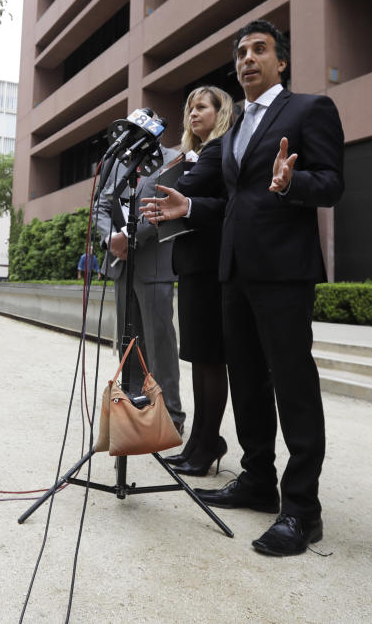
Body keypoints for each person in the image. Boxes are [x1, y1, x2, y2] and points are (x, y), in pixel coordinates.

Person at [144, 20, 344, 556]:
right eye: (240, 53)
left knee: (292, 385)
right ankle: (258, 479)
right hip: (233, 272)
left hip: (283, 271)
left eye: (260, 50)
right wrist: (191, 206)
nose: (247, 59)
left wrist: (292, 182)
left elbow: (332, 183)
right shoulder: (230, 135)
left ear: (282, 62)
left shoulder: (309, 110)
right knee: (249, 383)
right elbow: (234, 203)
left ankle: (302, 508)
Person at [152, 86, 236, 477]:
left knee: (210, 359)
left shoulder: (218, 150)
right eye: (188, 107)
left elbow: (181, 192)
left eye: (201, 107)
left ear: (219, 112)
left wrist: (183, 166)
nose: (192, 113)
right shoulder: (195, 155)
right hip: (192, 265)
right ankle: (200, 443)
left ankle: (207, 443)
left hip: (210, 266)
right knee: (199, 359)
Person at [93, 135, 184, 434]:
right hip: (121, 266)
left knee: (160, 344)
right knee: (127, 342)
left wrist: (129, 239)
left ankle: (169, 415)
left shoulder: (174, 157)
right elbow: (101, 207)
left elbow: (165, 207)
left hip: (154, 265)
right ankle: (133, 408)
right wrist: (110, 239)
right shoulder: (119, 162)